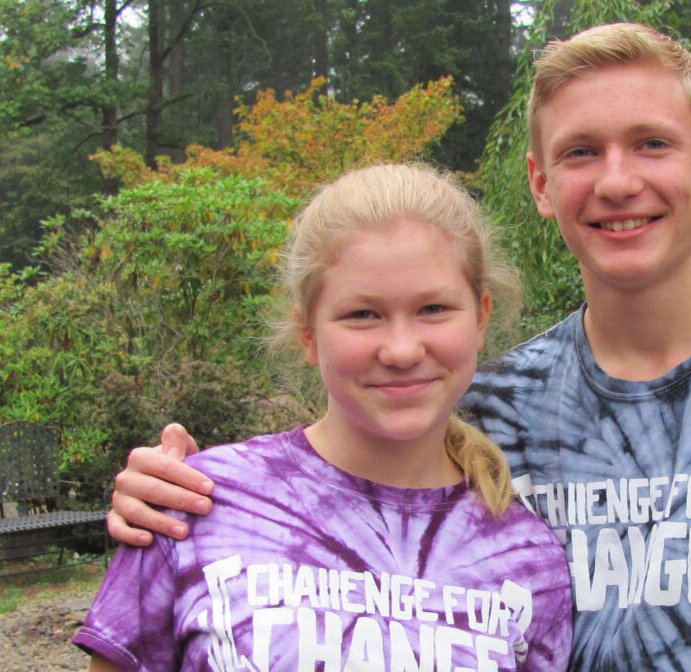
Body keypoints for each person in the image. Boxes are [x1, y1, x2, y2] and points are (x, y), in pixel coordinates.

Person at [104, 23, 691, 671]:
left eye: (653, 144)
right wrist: (171, 490)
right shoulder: (483, 406)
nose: (619, 180)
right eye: (582, 152)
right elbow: (335, 487)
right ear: (541, 183)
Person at [74, 164, 573, 671]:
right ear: (308, 333)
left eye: (434, 309)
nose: (401, 349)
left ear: (482, 316)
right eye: (362, 314)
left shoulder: (528, 559)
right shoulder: (192, 505)